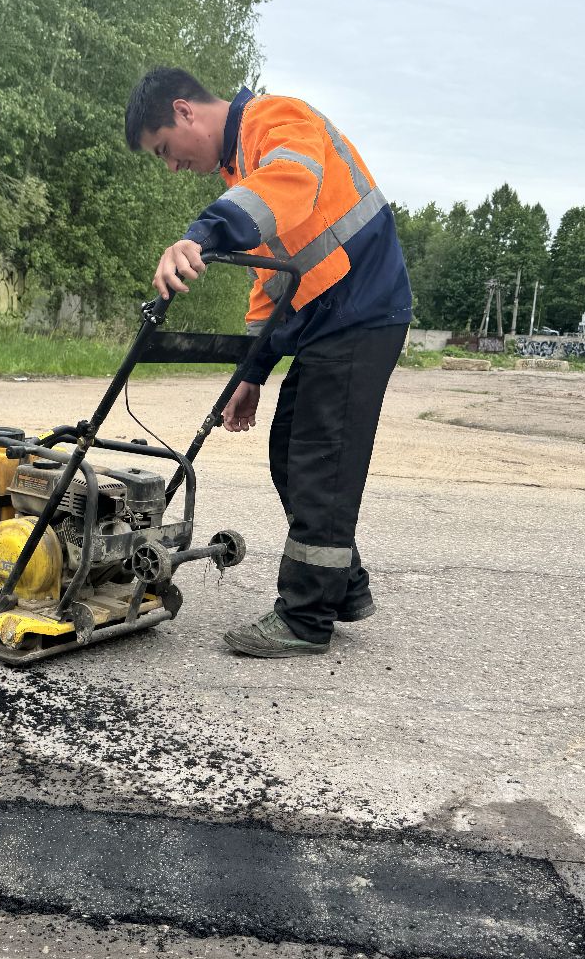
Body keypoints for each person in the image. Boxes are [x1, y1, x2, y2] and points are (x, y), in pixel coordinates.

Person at [125, 67, 412, 659]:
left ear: (185, 112)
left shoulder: (278, 121)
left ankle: (306, 618)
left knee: (320, 459)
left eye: (165, 152)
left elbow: (288, 184)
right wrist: (251, 372)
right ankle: (343, 587)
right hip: (325, 321)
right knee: (291, 452)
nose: (173, 167)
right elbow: (270, 287)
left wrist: (201, 234)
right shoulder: (242, 171)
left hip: (362, 312)